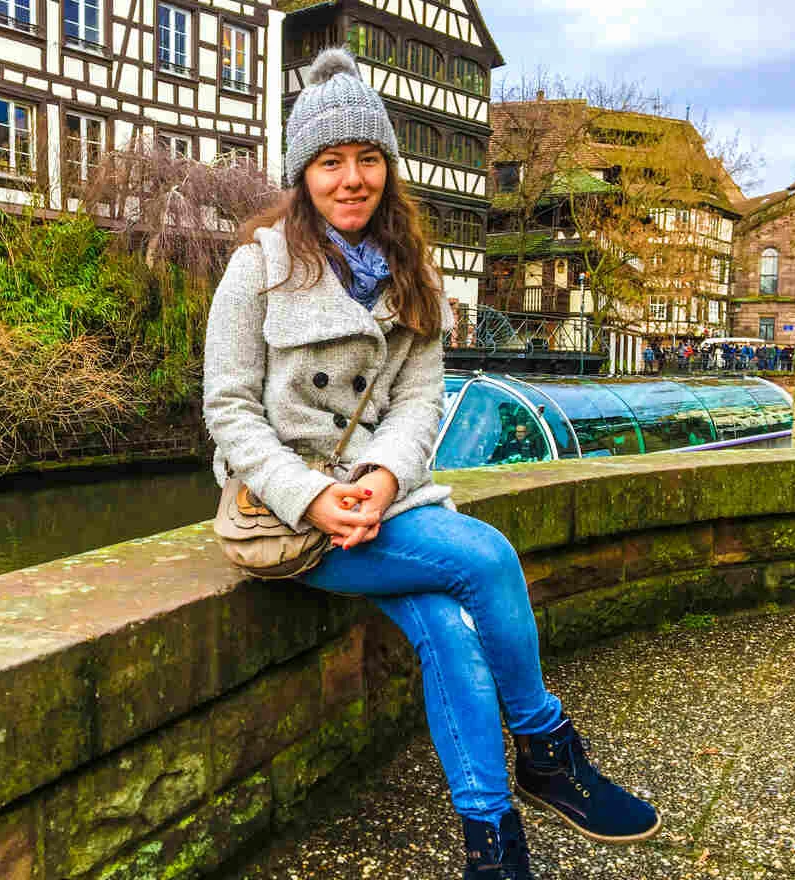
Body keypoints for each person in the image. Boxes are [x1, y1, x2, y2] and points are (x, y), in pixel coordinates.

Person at [203, 48, 659, 880]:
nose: (351, 179)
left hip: (382, 499)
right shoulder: (257, 268)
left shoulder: (412, 274)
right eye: (330, 162)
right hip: (289, 516)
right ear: (302, 174)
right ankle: (549, 752)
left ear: (388, 167)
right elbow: (228, 409)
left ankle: (492, 847)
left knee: (450, 627)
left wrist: (379, 480)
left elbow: (419, 405)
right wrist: (312, 498)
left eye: (367, 159)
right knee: (486, 556)